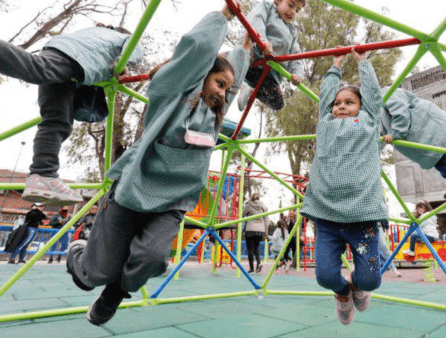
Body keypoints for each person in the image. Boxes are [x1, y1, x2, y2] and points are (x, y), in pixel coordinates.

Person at [65, 4, 253, 326]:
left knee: (152, 258)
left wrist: (246, 47)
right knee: (92, 275)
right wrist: (223, 17)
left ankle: (114, 294)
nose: (223, 93)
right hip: (133, 189)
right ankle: (79, 256)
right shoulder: (175, 96)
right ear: (198, 76)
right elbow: (194, 52)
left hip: (173, 201)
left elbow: (232, 78)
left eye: (226, 88)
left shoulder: (215, 118)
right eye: (217, 84)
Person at [0, 24, 143, 205]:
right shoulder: (125, 38)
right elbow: (134, 51)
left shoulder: (90, 32)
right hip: (75, 57)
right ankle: (42, 175)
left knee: (56, 122)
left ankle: (43, 174)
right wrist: (123, 64)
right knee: (39, 69)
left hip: (63, 56)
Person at [300, 48, 387, 325]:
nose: (340, 106)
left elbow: (373, 96)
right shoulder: (325, 124)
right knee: (324, 275)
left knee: (371, 280)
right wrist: (335, 66)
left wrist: (363, 63)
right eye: (338, 103)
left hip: (363, 216)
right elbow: (326, 96)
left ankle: (359, 287)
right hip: (327, 215)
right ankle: (341, 292)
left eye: (349, 102)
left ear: (361, 107)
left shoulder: (368, 122)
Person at [380, 87, 446, 200]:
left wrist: (394, 133)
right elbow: (378, 131)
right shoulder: (371, 111)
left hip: (424, 123)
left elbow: (401, 112)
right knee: (434, 159)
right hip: (415, 135)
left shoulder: (384, 94)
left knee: (443, 148)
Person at [237, 0, 305, 111]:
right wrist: (262, 41)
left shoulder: (292, 31)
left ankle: (249, 90)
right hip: (255, 56)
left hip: (270, 74)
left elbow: (296, 54)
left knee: (278, 102)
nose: (293, 12)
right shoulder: (267, 7)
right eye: (291, 5)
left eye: (297, 10)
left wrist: (297, 73)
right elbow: (256, 19)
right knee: (227, 62)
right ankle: (236, 83)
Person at [243, 193, 269, 274]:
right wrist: (266, 233)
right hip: (260, 230)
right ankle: (258, 262)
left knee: (250, 249)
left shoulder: (249, 205)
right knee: (256, 248)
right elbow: (266, 220)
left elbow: (242, 214)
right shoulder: (263, 207)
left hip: (250, 229)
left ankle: (251, 269)